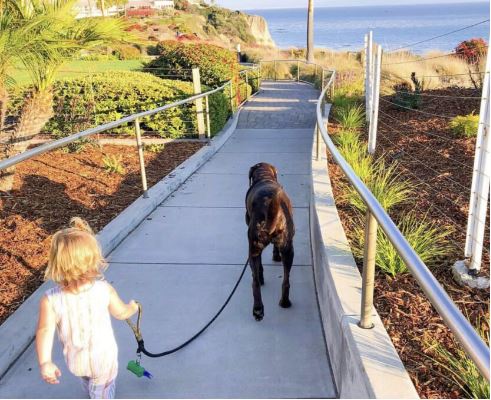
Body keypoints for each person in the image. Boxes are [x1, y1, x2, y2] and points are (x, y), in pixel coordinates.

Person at [36, 217, 139, 399]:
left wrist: (45, 362)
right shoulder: (104, 289)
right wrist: (132, 307)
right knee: (100, 391)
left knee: (90, 385)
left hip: (76, 361)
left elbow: (44, 330)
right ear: (93, 261)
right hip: (103, 361)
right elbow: (121, 313)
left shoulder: (50, 299)